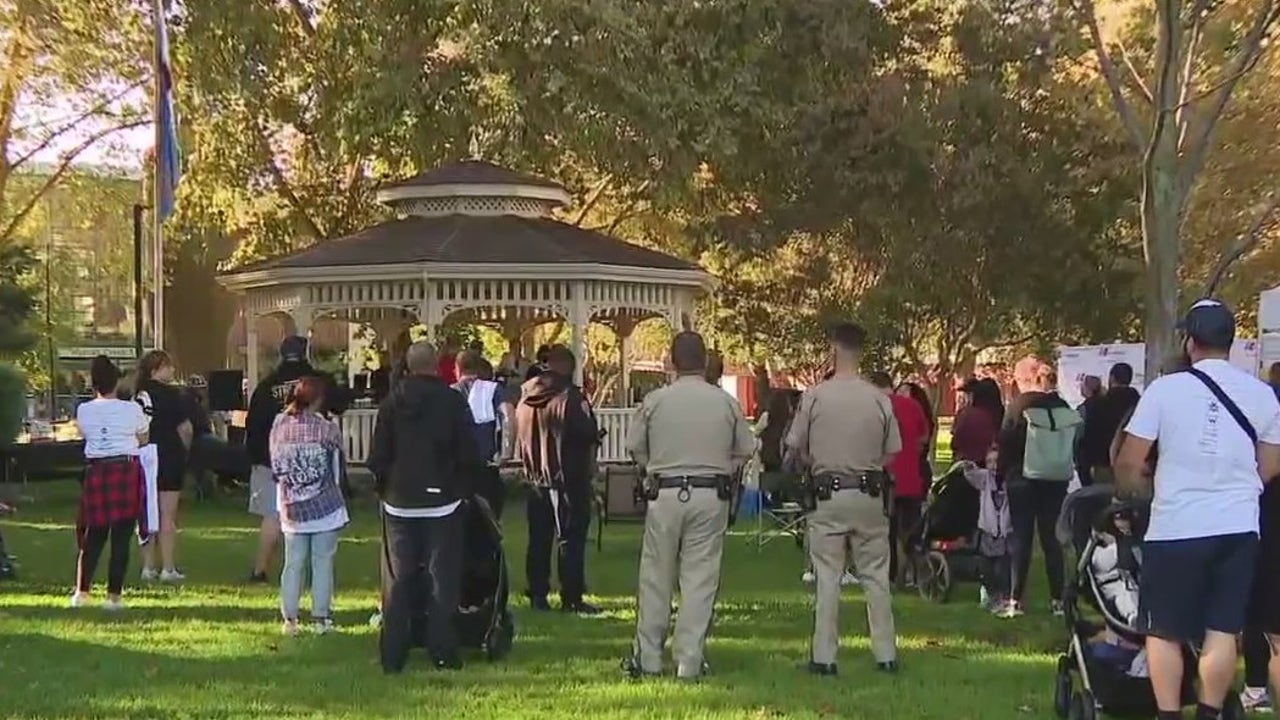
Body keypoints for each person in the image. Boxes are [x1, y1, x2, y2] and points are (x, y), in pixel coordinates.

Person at [1114, 299, 1280, 720]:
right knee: (1223, 629)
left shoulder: (1164, 391)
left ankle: (1169, 713)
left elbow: (1130, 461)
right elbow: (1271, 464)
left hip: (1176, 525)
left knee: (1164, 630)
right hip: (1238, 526)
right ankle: (1209, 711)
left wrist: (1143, 491)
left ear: (1190, 342)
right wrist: (1238, 487)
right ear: (1231, 342)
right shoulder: (1262, 395)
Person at [622, 331, 754, 679]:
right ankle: (689, 660)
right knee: (700, 578)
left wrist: (652, 466)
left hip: (664, 492)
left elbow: (634, 445)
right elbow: (746, 447)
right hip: (710, 493)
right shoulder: (724, 402)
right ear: (705, 360)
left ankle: (648, 657)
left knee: (656, 576)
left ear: (672, 360)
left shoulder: (656, 401)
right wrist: (723, 464)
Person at [785, 322, 901, 676]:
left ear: (833, 349)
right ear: (862, 351)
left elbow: (795, 446)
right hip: (868, 493)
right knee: (876, 576)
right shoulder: (879, 398)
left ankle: (824, 656)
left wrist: (817, 461)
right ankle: (886, 654)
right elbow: (892, 452)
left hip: (828, 494)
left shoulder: (816, 396)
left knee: (828, 576)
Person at [368, 341, 481, 673]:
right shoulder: (452, 401)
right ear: (436, 366)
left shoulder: (391, 403)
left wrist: (384, 488)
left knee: (397, 579)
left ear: (408, 365)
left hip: (399, 500)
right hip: (443, 501)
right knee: (442, 579)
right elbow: (467, 451)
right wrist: (462, 490)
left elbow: (379, 454)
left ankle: (393, 654)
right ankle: (443, 649)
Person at [516, 344, 601, 614]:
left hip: (535, 478)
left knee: (539, 540)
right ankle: (571, 596)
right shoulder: (571, 398)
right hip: (568, 479)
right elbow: (587, 433)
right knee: (571, 539)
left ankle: (538, 594)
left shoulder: (525, 397)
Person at [270, 375, 349, 637]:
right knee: (322, 562)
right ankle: (320, 618)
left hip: (291, 504)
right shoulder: (327, 428)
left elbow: (275, 466)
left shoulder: (279, 425)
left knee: (293, 562)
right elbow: (336, 466)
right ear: (318, 400)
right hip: (324, 503)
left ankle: (289, 619)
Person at [998, 366, 1079, 618]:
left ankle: (1015, 599)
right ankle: (1057, 600)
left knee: (1021, 538)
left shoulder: (1019, 405)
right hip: (1054, 480)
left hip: (1021, 478)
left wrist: (1002, 474)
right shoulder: (1063, 407)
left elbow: (1006, 440)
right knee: (1051, 539)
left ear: (1027, 380)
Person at [244, 335, 325, 583]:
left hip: (271, 457)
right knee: (311, 517)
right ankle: (308, 573)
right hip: (308, 457)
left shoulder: (267, 385)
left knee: (272, 515)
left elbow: (253, 423)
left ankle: (260, 570)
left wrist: (256, 456)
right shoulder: (316, 383)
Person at [72, 355, 150, 609]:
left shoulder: (83, 410)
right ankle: (113, 597)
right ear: (116, 382)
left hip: (97, 470)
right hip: (125, 469)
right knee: (121, 535)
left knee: (93, 534)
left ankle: (81, 593)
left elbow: (84, 434)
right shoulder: (132, 409)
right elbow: (144, 438)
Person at [133, 350, 192, 583]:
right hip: (169, 455)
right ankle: (168, 567)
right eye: (168, 367)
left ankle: (148, 566)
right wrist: (184, 449)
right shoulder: (174, 395)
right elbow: (185, 428)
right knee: (168, 513)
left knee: (146, 512)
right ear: (156, 369)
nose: (173, 371)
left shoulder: (138, 396)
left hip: (145, 456)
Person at [869, 372, 929, 585]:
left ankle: (891, 575)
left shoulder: (874, 409)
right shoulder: (912, 406)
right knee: (911, 531)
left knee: (886, 532)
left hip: (886, 479)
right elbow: (923, 438)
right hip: (912, 479)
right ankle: (917, 573)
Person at [453, 349, 514, 518]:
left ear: (457, 368)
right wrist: (506, 453)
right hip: (486, 464)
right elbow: (508, 414)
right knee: (490, 520)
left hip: (458, 466)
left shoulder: (450, 392)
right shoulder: (493, 389)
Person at [960, 446, 1012, 614]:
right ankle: (991, 595)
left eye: (996, 461)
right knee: (986, 567)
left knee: (1002, 569)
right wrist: (967, 464)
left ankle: (1005, 597)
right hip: (988, 531)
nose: (993, 465)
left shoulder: (1010, 481)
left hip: (1004, 532)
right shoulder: (985, 479)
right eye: (989, 461)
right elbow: (971, 475)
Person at [1080, 363, 1141, 487]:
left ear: (1111, 378)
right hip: (1134, 466)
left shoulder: (1097, 405)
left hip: (1102, 466)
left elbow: (1087, 437)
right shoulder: (1141, 405)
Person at [952, 378, 1003, 465]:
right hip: (993, 463)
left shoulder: (967, 415)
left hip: (967, 464)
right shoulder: (1001, 414)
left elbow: (955, 442)